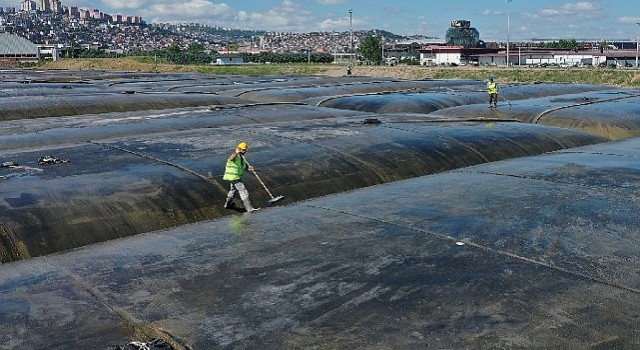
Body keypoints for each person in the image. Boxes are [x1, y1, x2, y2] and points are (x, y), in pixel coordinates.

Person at [223, 142, 260, 212]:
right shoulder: (235, 156)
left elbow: (245, 168)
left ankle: (227, 205)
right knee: (243, 190)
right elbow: (231, 158)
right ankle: (249, 208)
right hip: (234, 177)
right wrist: (237, 152)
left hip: (236, 177)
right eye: (242, 149)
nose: (243, 151)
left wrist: (250, 168)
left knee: (233, 190)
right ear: (238, 149)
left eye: (244, 150)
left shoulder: (242, 159)